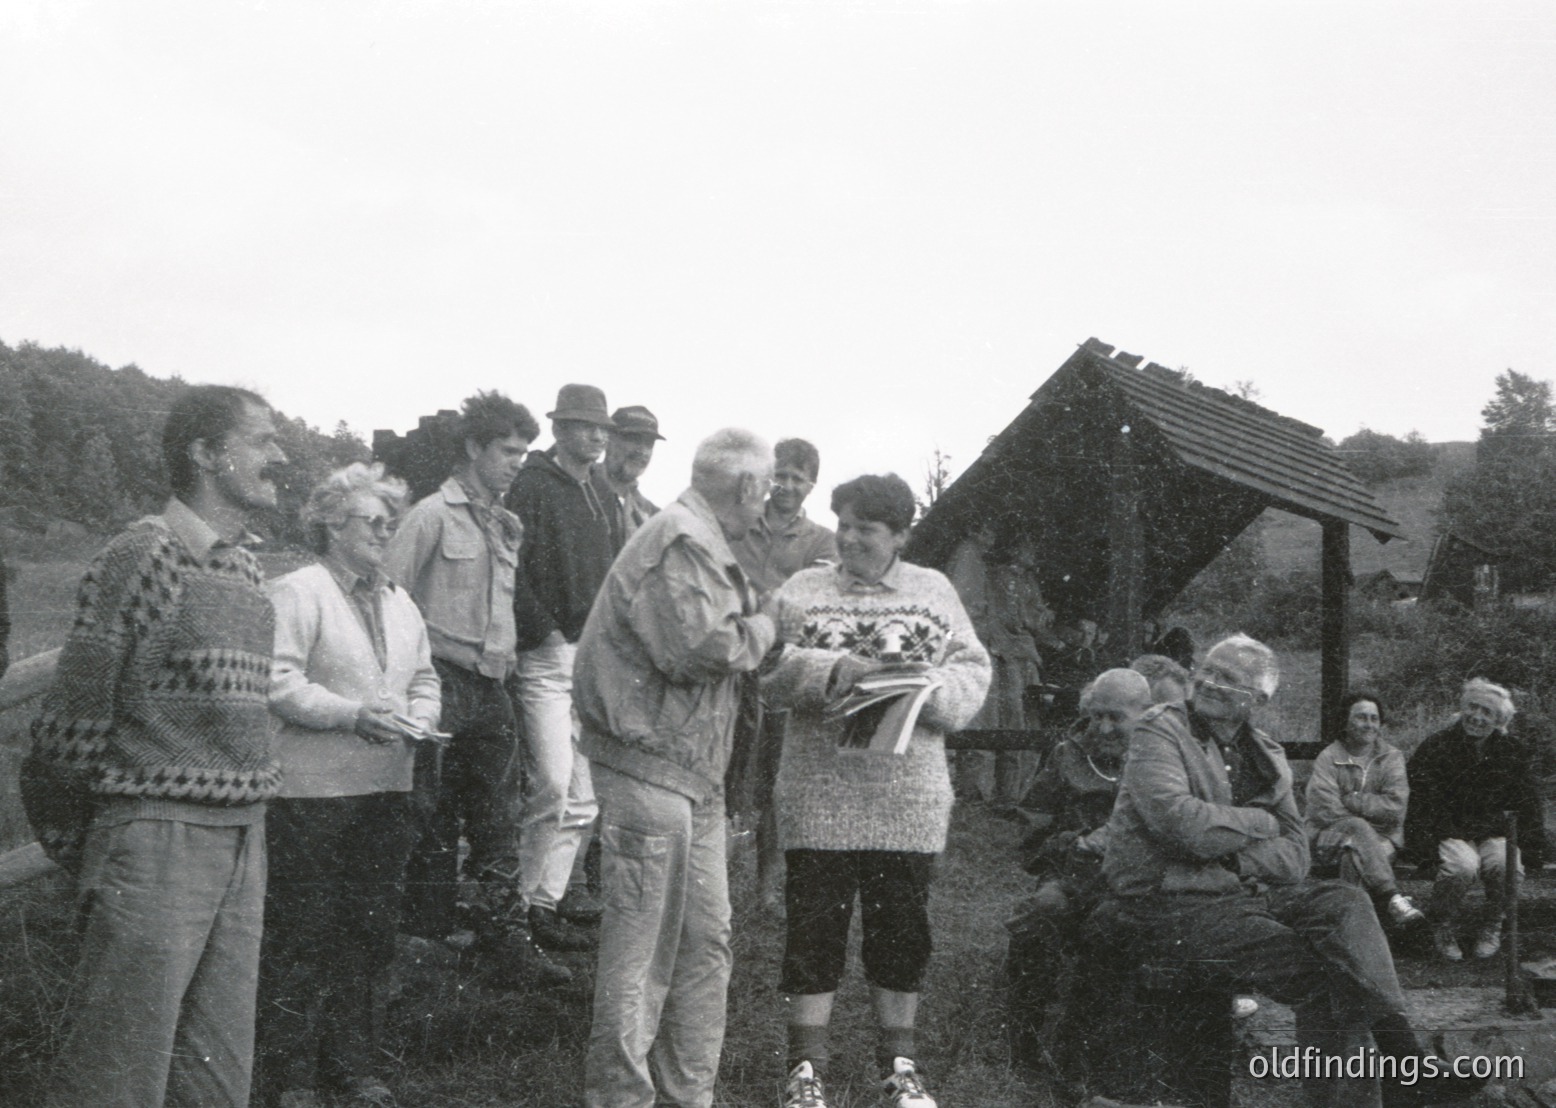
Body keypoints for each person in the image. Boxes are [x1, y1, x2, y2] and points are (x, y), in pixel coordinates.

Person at [25, 385, 285, 1107]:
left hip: (244, 837)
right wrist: (94, 841)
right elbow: (72, 723)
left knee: (216, 1081)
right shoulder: (142, 554)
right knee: (115, 1074)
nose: (278, 456)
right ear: (205, 453)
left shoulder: (248, 569)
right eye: (261, 439)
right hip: (157, 837)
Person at [1093, 633, 1482, 1108]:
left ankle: (1404, 1058)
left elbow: (1296, 856)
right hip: (1167, 901)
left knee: (1346, 901)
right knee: (1327, 977)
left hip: (1237, 890)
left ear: (1258, 697)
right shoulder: (1160, 730)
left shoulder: (1266, 755)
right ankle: (1386, 1081)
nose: (1210, 682)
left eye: (1228, 677)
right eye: (1208, 671)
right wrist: (1260, 823)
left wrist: (1232, 855)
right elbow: (1182, 825)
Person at [762, 473, 992, 1108]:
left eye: (866, 527)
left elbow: (973, 668)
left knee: (901, 934)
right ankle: (805, 1073)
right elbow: (763, 666)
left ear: (900, 535)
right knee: (813, 935)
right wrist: (829, 669)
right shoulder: (802, 591)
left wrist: (926, 693)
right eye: (843, 524)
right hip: (818, 794)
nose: (849, 538)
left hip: (907, 800)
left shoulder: (934, 591)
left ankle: (900, 1067)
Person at [573, 428, 778, 1108]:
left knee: (705, 944)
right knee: (642, 955)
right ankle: (621, 1100)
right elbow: (697, 649)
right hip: (649, 765)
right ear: (746, 487)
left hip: (694, 774)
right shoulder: (682, 539)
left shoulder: (702, 540)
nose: (769, 500)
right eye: (767, 487)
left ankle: (689, 1096)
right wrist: (771, 627)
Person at [257, 463, 441, 1108]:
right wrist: (350, 714)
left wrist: (421, 719)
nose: (385, 532)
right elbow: (277, 681)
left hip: (387, 789)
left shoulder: (399, 600)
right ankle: (292, 1077)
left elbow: (424, 677)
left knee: (368, 932)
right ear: (332, 523)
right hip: (310, 796)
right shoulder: (297, 591)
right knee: (301, 933)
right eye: (372, 521)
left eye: (391, 523)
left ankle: (355, 1067)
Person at [384, 390, 567, 987]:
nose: (518, 461)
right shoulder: (430, 516)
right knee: (427, 819)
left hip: (494, 687)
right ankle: (423, 949)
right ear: (472, 448)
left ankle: (503, 944)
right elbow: (388, 599)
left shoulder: (504, 523)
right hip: (439, 681)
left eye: (524, 451)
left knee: (498, 817)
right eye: (507, 450)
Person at [504, 383, 617, 952]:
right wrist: (543, 629)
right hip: (544, 655)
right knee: (550, 780)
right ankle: (519, 907)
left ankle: (545, 903)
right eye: (585, 425)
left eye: (601, 427)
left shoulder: (598, 492)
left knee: (585, 795)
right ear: (559, 430)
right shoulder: (531, 484)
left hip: (589, 657)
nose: (597, 435)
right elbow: (511, 569)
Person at [1005, 668, 1150, 1070]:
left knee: (1114, 925)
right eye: (1095, 715)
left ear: (1146, 713)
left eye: (1116, 717)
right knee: (1041, 913)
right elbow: (1031, 832)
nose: (1103, 728)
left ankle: (1086, 1050)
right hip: (1073, 876)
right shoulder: (1066, 755)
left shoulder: (1162, 756)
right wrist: (1077, 843)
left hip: (1139, 882)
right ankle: (1026, 1041)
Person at [728, 437, 839, 907]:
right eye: (781, 476)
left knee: (776, 778)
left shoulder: (821, 542)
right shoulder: (741, 524)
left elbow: (818, 604)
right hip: (733, 664)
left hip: (782, 672)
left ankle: (766, 886)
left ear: (812, 484)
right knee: (726, 770)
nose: (787, 486)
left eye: (798, 478)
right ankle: (713, 875)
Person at [1405, 678, 1547, 962]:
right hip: (1448, 831)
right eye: (1473, 707)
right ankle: (1440, 924)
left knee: (1506, 862)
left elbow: (1527, 802)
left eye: (1487, 712)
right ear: (1462, 708)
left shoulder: (1512, 752)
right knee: (1462, 866)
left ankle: (1492, 923)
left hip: (1493, 831)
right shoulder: (1436, 746)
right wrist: (1438, 840)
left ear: (1499, 721)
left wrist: (1531, 847)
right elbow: (1423, 802)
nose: (1477, 717)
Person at [1305, 691, 1425, 928]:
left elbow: (1395, 808)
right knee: (1357, 831)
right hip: (1330, 836)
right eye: (1361, 717)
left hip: (1384, 838)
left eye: (1374, 718)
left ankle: (1350, 929)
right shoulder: (1328, 757)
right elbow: (1324, 809)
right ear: (1345, 722)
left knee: (1353, 857)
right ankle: (1391, 898)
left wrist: (1351, 800)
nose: (1369, 724)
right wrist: (1364, 821)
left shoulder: (1391, 757)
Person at [592, 404, 663, 549]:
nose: (642, 450)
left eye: (649, 444)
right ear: (607, 439)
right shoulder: (581, 491)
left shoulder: (652, 515)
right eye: (633, 438)